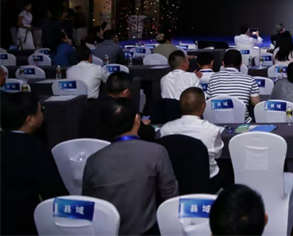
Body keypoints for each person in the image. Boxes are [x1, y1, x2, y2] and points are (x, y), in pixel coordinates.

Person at [82, 99, 178, 236]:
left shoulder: (93, 160)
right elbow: (170, 197)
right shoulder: (156, 152)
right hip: (146, 231)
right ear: (137, 119)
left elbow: (88, 203)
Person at [0, 92, 67, 236]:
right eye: (40, 110)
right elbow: (54, 194)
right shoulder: (34, 148)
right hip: (20, 225)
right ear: (30, 120)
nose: (43, 113)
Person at [159, 87, 227, 187]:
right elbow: (218, 155)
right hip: (206, 182)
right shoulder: (212, 130)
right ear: (203, 106)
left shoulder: (165, 129)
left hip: (175, 182)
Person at [80, 71, 156, 141]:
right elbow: (146, 134)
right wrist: (143, 125)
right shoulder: (125, 108)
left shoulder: (90, 106)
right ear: (126, 91)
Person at [207, 50, 260, 120]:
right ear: (241, 64)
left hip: (216, 121)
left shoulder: (213, 78)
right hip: (242, 123)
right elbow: (256, 103)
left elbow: (209, 101)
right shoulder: (249, 79)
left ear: (223, 63)